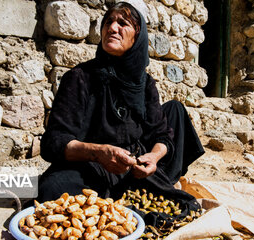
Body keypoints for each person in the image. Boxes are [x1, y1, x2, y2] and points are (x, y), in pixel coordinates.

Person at [38, 2, 204, 204]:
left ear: (137, 36)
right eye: (108, 22)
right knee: (51, 189)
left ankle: (150, 180)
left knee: (175, 111)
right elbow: (53, 142)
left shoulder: (144, 83)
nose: (112, 28)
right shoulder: (80, 77)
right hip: (91, 165)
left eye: (123, 23)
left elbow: (161, 134)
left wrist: (153, 157)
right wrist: (99, 153)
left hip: (133, 165)